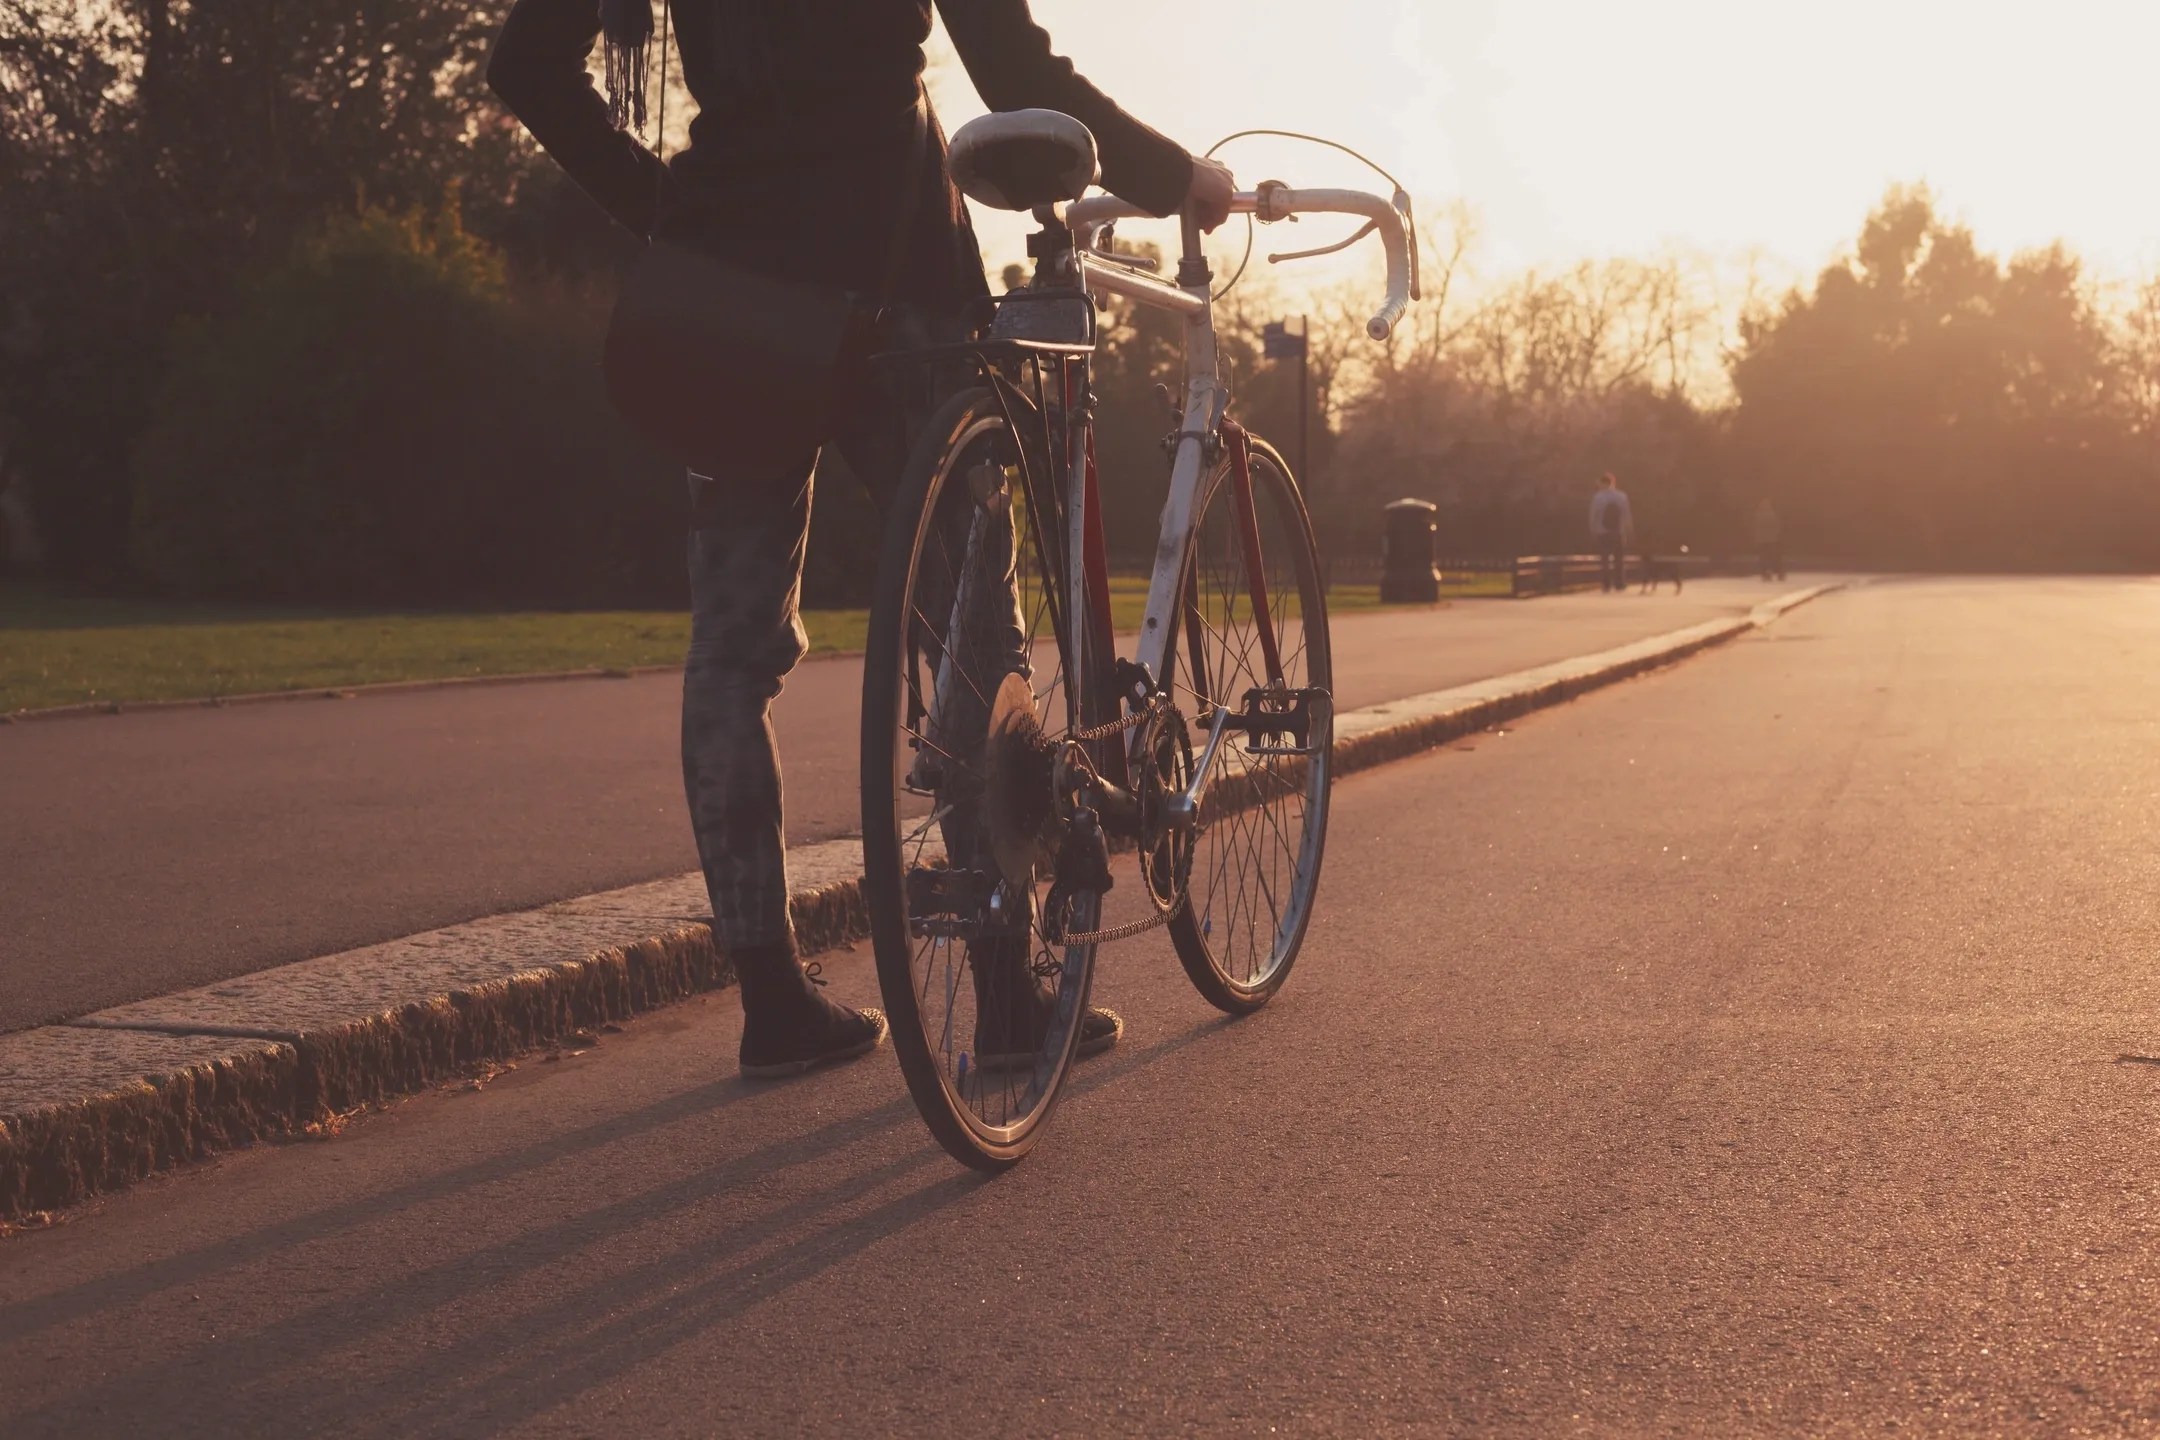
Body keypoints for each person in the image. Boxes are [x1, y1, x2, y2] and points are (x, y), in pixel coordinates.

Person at [487, 1, 1236, 1078]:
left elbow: (526, 67)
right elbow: (1014, 67)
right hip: (904, 297)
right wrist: (1178, 180)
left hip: (733, 308)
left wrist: (669, 211)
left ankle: (772, 1001)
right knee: (974, 640)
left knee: (732, 649)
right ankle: (1005, 999)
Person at [1588, 473, 1632, 593]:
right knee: (1619, 559)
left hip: (1602, 532)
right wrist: (1627, 529)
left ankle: (1606, 584)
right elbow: (1626, 514)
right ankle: (1620, 583)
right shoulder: (1622, 496)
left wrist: (1593, 529)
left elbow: (1593, 515)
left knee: (1605, 560)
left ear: (1602, 483)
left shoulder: (1598, 497)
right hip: (1618, 532)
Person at [1754, 497, 1785, 581]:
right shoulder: (1773, 515)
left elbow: (1756, 528)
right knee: (1774, 557)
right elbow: (1777, 527)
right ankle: (1779, 573)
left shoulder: (1758, 515)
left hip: (1763, 540)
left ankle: (1766, 572)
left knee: (1764, 557)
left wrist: (1757, 538)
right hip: (1772, 540)